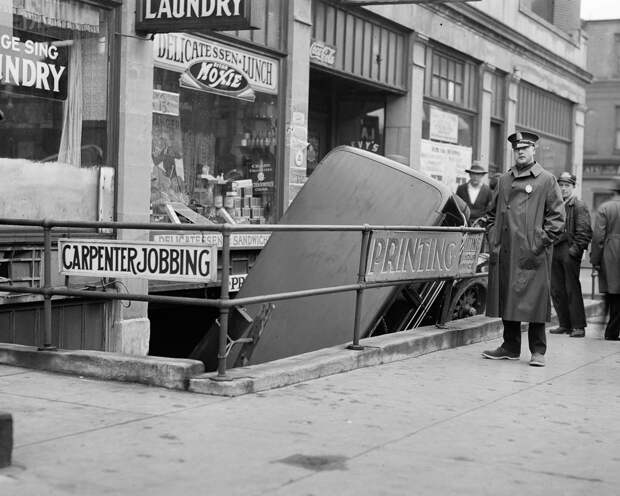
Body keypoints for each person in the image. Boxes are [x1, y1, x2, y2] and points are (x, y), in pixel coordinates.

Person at [482, 131, 565, 367]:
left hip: (533, 253)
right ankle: (510, 346)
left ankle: (538, 351)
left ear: (534, 150)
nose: (520, 152)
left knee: (535, 301)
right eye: (517, 148)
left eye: (525, 148)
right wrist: (493, 238)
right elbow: (491, 214)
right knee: (508, 297)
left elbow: (557, 218)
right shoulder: (504, 180)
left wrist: (537, 243)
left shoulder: (546, 180)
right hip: (506, 250)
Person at [549, 172, 592, 338]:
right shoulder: (555, 205)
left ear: (573, 187)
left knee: (572, 289)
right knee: (557, 290)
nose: (563, 188)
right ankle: (564, 324)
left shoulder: (579, 205)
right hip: (555, 250)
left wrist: (574, 252)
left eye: (567, 185)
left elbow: (585, 232)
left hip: (569, 251)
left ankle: (578, 326)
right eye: (561, 185)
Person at [590, 176, 620, 341]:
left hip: (610, 253)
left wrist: (595, 259)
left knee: (610, 291)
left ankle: (608, 328)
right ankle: (611, 329)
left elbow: (598, 237)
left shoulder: (605, 207)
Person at [455, 161, 493, 225]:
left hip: (480, 226)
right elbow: (456, 206)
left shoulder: (487, 190)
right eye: (473, 174)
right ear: (470, 175)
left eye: (478, 174)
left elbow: (489, 210)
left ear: (482, 176)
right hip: (463, 225)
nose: (476, 177)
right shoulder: (461, 189)